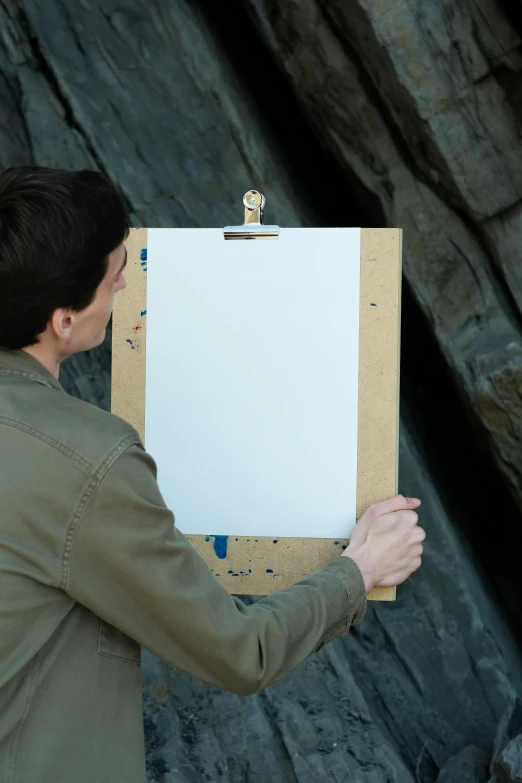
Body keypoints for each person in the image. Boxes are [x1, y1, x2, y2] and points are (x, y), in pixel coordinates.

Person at [0, 166, 425, 783]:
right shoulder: (89, 462)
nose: (128, 280)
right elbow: (240, 653)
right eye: (115, 274)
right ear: (63, 320)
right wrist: (360, 572)